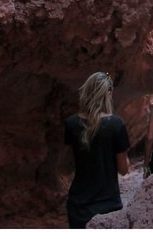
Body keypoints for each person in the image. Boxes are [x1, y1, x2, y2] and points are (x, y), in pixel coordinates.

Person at [63, 71, 131, 228]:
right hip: (108, 206)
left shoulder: (71, 124)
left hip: (79, 205)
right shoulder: (116, 125)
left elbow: (67, 166)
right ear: (107, 94)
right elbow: (123, 169)